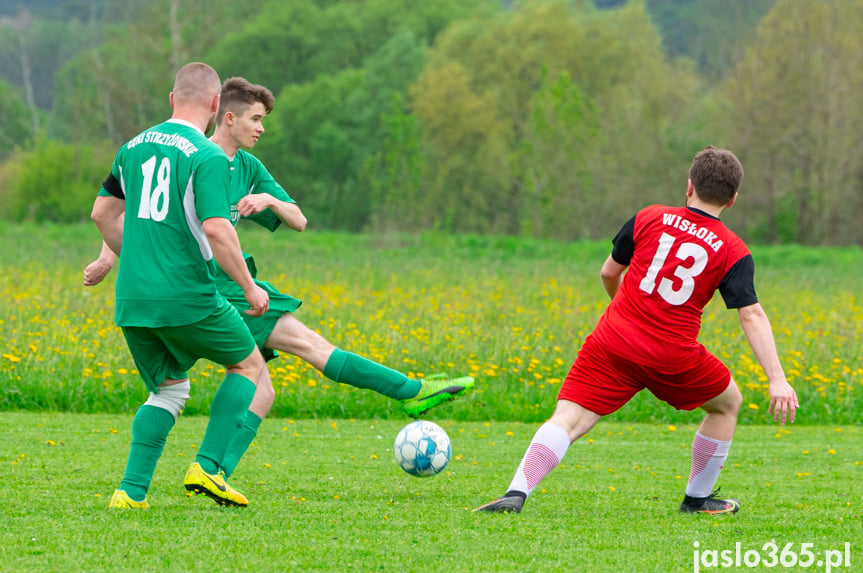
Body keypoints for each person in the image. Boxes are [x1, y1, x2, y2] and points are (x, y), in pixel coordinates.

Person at [85, 76, 474, 480]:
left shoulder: (248, 166)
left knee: (263, 391)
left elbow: (299, 220)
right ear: (227, 114)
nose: (262, 128)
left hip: (222, 283)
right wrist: (107, 255)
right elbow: (149, 216)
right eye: (255, 118)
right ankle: (411, 392)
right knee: (309, 345)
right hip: (211, 286)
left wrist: (269, 199)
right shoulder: (198, 157)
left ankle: (214, 475)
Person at [474, 146, 799, 515]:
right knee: (727, 404)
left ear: (689, 186)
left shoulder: (649, 216)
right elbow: (751, 314)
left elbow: (608, 273)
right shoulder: (733, 249)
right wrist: (776, 378)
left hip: (612, 342)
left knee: (568, 418)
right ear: (733, 199)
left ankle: (516, 492)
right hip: (672, 356)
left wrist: (623, 315)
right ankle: (697, 500)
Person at [91, 62, 270, 510]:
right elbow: (216, 228)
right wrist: (249, 286)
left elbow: (102, 214)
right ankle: (208, 467)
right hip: (187, 294)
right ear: (216, 105)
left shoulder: (131, 147)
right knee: (249, 366)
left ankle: (130, 494)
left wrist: (134, 259)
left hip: (132, 298)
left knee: (168, 389)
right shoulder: (205, 155)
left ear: (172, 99)